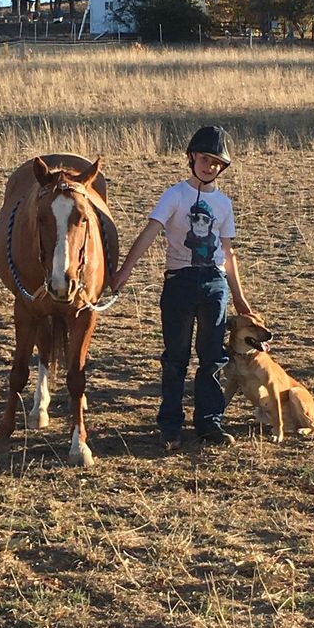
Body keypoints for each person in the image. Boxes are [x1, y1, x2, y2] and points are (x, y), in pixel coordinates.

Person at [111, 126, 252, 450]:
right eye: (204, 159)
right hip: (179, 281)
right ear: (191, 158)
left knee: (212, 357)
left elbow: (228, 252)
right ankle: (170, 426)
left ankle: (208, 424)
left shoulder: (224, 203)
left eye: (216, 162)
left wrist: (240, 297)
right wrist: (123, 273)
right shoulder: (175, 195)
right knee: (175, 358)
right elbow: (150, 232)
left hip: (215, 285)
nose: (210, 166)